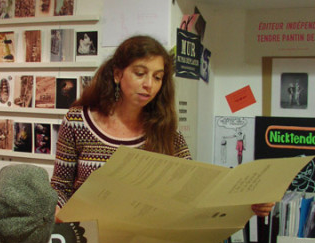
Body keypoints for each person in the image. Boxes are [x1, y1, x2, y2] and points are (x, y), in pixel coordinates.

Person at [51, 35, 274, 221]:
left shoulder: (167, 134)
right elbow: (60, 186)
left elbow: (195, 191)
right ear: (118, 74)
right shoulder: (78, 121)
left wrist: (247, 201)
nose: (149, 84)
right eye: (140, 74)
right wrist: (56, 212)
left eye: (158, 77)